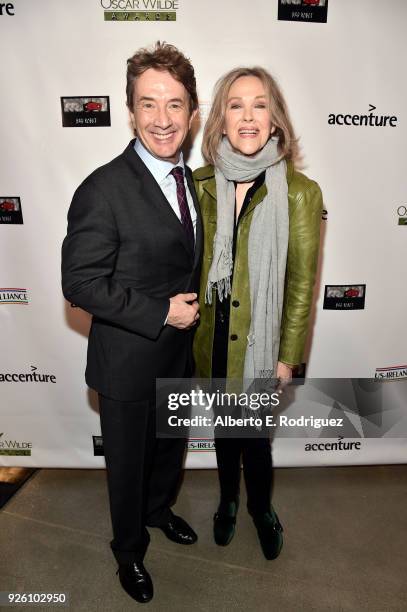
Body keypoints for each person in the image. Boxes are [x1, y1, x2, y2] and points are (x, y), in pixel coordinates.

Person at [61, 42, 203, 604]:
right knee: (127, 465)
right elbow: (81, 284)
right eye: (149, 104)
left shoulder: (190, 179)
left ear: (191, 112)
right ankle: (129, 551)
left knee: (168, 452)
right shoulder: (103, 189)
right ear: (130, 110)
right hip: (126, 363)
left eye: (174, 105)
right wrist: (161, 311)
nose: (162, 119)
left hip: (177, 356)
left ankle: (159, 511)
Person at [193, 67, 322, 560]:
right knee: (226, 432)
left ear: (275, 119)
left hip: (260, 341)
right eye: (235, 104)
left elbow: (301, 283)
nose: (248, 115)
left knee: (256, 440)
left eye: (260, 104)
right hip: (212, 334)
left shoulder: (300, 193)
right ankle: (227, 501)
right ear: (221, 119)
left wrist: (288, 355)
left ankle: (260, 509)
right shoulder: (200, 184)